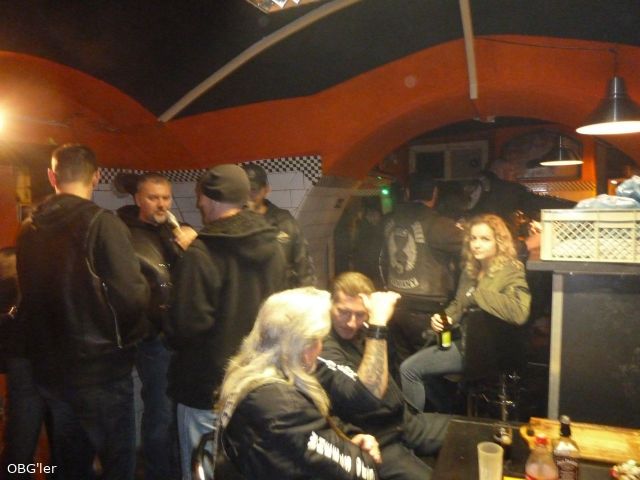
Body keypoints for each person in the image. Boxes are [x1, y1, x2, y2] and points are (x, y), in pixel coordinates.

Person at [16, 144, 150, 479]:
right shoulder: (102, 224)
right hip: (102, 372)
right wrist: (128, 342)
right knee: (117, 464)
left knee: (70, 462)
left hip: (52, 371)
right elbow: (131, 297)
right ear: (97, 176)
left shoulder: (29, 229)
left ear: (52, 176)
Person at [167, 164, 286, 480]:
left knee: (203, 470)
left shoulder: (201, 252)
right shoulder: (273, 246)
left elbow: (185, 327)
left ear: (210, 198)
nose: (198, 203)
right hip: (257, 387)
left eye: (200, 196)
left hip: (208, 390)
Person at [219, 287, 380, 480]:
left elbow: (316, 423)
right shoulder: (283, 407)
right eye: (319, 340)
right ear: (302, 346)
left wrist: (352, 437)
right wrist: (365, 456)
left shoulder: (250, 375)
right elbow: (361, 473)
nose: (321, 348)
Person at [315, 271, 451, 480]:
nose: (351, 322)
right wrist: (378, 323)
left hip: (404, 422)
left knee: (471, 433)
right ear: (330, 305)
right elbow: (365, 396)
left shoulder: (363, 330)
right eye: (343, 312)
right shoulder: (324, 345)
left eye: (360, 314)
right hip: (376, 438)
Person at [400, 214, 531, 413]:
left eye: (485, 239)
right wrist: (442, 319)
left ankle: (415, 424)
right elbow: (458, 304)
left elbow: (520, 312)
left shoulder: (510, 270)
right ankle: (447, 416)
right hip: (464, 341)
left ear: (499, 242)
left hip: (489, 349)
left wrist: (477, 295)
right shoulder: (470, 271)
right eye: (473, 238)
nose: (476, 244)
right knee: (420, 370)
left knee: (409, 370)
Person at [117, 172, 196, 480]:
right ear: (138, 199)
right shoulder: (125, 233)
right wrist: (146, 327)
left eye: (166, 197)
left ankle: (177, 468)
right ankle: (158, 472)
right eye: (153, 198)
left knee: (179, 408)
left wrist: (194, 246)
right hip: (154, 338)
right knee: (161, 410)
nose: (161, 204)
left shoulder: (176, 231)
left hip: (181, 334)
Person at [380, 172, 463, 377]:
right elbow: (475, 247)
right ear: (435, 194)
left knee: (403, 365)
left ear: (407, 193)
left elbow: (379, 258)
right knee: (437, 365)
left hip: (396, 308)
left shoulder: (388, 220)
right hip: (435, 312)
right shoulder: (440, 224)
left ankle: (407, 396)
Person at [0, 247, 52, 480]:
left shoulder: (10, 260)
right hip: (56, 355)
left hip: (20, 354)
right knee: (63, 436)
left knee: (22, 434)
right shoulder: (52, 259)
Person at [242, 163, 316, 288]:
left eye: (254, 190)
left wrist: (306, 293)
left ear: (266, 190)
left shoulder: (285, 222)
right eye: (244, 190)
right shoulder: (232, 223)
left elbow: (303, 264)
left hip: (279, 295)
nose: (249, 195)